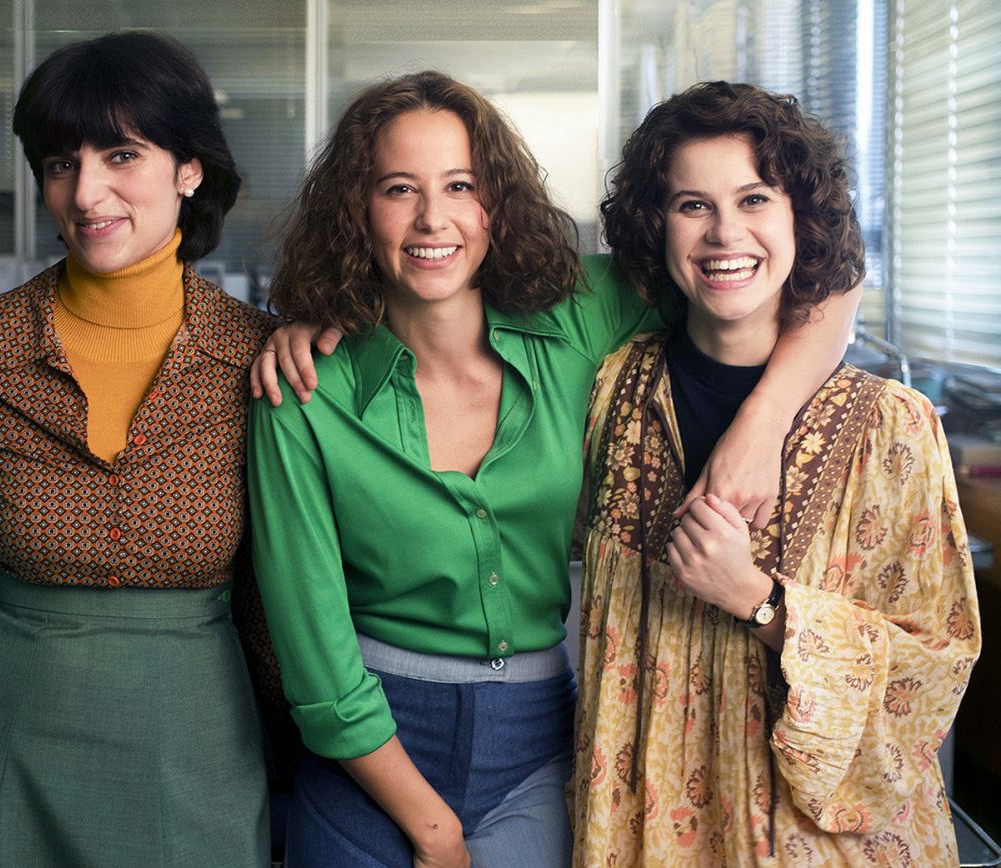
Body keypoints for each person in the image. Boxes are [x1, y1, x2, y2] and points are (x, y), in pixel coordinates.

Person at [246, 71, 861, 868]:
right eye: (399, 188)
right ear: (356, 210)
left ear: (496, 202)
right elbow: (316, 660)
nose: (433, 217)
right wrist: (432, 831)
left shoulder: (577, 313)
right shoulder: (301, 390)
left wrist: (763, 421)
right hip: (368, 750)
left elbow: (823, 279)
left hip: (539, 743)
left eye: (461, 185)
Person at [572, 80, 979, 866]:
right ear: (657, 224)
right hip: (642, 833)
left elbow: (935, 666)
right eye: (693, 205)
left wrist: (759, 601)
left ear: (802, 218)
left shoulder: (891, 425)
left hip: (820, 847)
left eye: (755, 199)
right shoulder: (612, 390)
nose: (725, 233)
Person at [0, 31, 277, 868]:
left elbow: (279, 595)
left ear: (189, 169)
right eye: (61, 164)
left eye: (122, 155)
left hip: (201, 741)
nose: (86, 193)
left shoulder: (261, 357)